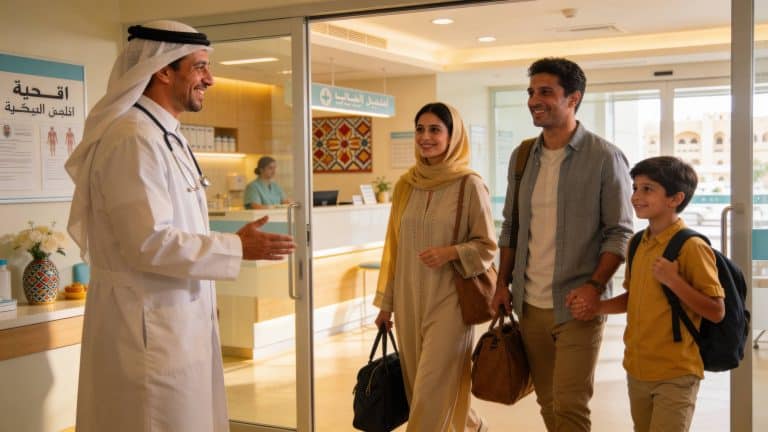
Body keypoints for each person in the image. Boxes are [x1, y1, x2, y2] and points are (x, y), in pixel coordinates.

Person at [64, 21, 296, 432]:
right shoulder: (132, 138)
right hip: (147, 325)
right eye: (201, 67)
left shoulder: (165, 135)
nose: (210, 78)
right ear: (163, 69)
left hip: (176, 317)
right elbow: (149, 242)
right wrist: (235, 247)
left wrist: (207, 295)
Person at [491, 57, 634, 432]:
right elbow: (511, 226)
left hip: (577, 304)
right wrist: (501, 283)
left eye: (545, 92)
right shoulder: (522, 156)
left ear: (573, 98)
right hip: (529, 303)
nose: (534, 100)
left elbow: (619, 231)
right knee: (547, 400)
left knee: (570, 403)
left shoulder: (605, 157)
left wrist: (594, 287)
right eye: (531, 92)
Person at [570, 156, 725, 432]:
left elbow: (716, 310)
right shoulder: (638, 242)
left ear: (675, 198)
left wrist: (674, 280)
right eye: (635, 187)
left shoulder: (691, 247)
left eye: (647, 189)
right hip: (637, 369)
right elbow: (635, 297)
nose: (636, 196)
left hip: (676, 372)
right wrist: (597, 307)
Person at [374, 102, 496, 432]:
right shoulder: (405, 185)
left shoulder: (469, 185)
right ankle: (473, 428)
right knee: (422, 391)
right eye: (420, 129)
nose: (425, 137)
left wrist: (451, 252)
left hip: (451, 302)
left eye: (435, 130)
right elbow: (394, 249)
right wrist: (386, 304)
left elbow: (487, 246)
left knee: (431, 389)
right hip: (408, 299)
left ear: (453, 135)